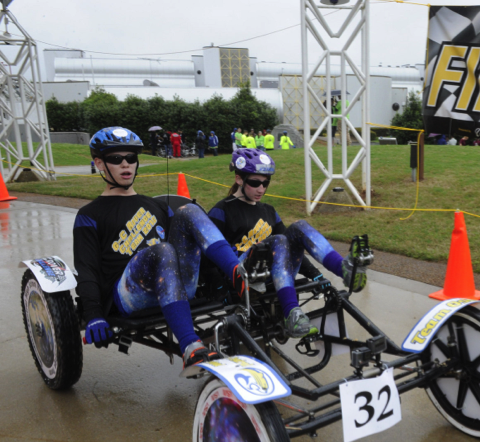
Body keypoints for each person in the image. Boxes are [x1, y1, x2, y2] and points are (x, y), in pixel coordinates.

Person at [73, 127, 248, 367]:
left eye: (131, 158)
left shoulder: (157, 206)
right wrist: (93, 314)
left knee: (190, 210)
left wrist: (219, 284)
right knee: (162, 250)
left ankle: (236, 272)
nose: (126, 165)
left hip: (175, 284)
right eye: (116, 159)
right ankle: (190, 345)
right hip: (129, 294)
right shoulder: (89, 215)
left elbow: (190, 246)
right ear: (99, 163)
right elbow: (86, 269)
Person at [209, 149, 367, 337]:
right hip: (244, 277)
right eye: (255, 183)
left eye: (266, 183)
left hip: (276, 272)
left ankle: (345, 270)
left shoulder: (268, 210)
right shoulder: (222, 210)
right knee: (279, 240)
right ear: (238, 179)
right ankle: (291, 312)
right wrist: (219, 286)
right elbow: (209, 252)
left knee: (299, 227)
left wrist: (316, 276)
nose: (261, 189)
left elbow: (290, 245)